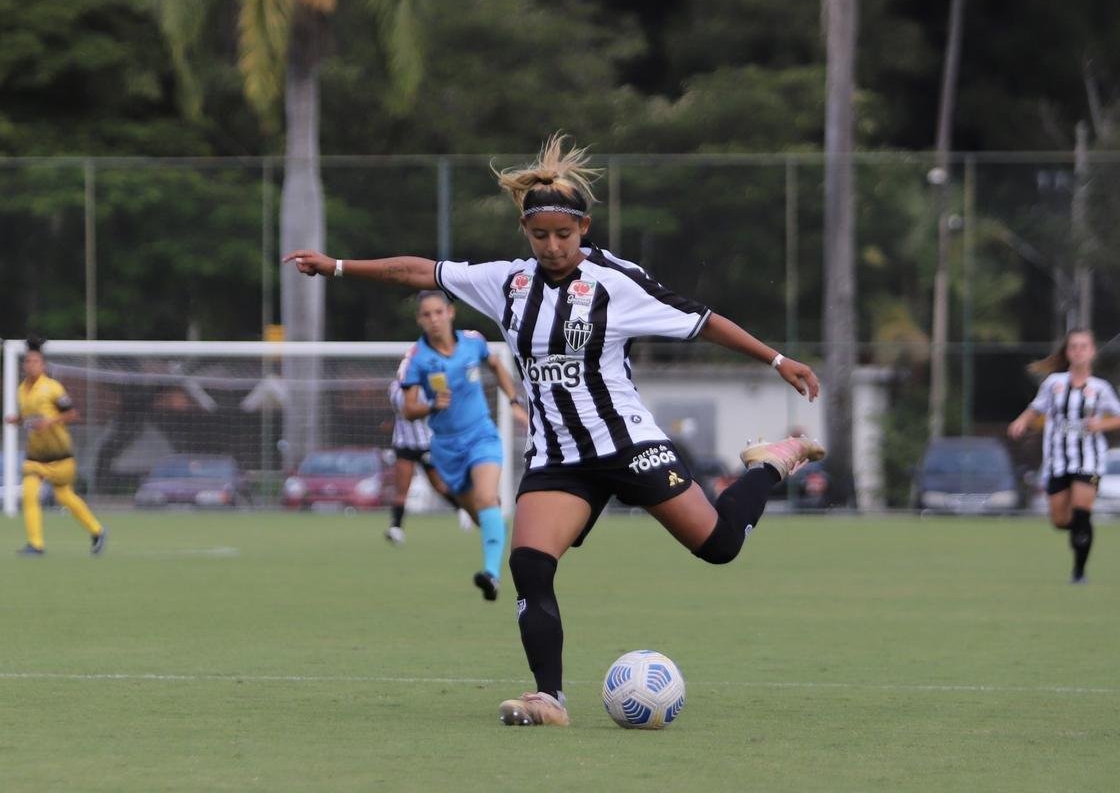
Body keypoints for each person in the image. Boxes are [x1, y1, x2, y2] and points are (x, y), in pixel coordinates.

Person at [284, 133, 823, 727]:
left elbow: (702, 323)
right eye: (539, 235)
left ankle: (771, 461)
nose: (551, 246)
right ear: (526, 232)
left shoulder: (617, 284)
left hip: (630, 445)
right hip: (560, 458)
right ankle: (549, 698)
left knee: (720, 547)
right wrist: (336, 266)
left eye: (563, 235)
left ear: (583, 228)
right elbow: (421, 270)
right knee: (530, 564)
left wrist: (776, 360)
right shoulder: (508, 283)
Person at [401, 290, 528, 601]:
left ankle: (492, 575)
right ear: (420, 320)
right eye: (426, 315)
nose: (433, 319)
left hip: (481, 435)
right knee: (480, 517)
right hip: (446, 448)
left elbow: (497, 365)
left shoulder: (473, 342)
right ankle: (500, 549)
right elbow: (408, 409)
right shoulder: (417, 358)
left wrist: (513, 400)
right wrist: (431, 405)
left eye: (438, 312)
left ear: (450, 313)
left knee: (487, 498)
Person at [1007, 328, 1120, 583]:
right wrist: (1021, 421)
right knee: (1060, 520)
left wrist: (1101, 425)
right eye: (1073, 346)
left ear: (1092, 352)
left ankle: (1079, 572)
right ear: (1067, 352)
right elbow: (1035, 408)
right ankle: (1081, 532)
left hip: (1089, 460)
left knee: (1082, 510)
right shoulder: (1054, 384)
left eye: (1083, 346)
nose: (1078, 351)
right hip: (1057, 461)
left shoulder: (1100, 388)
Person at [4, 335, 107, 556]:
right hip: (35, 455)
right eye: (28, 362)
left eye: (35, 362)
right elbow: (29, 416)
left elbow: (72, 413)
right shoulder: (22, 389)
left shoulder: (53, 388)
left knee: (64, 496)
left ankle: (97, 530)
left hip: (59, 453)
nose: (31, 365)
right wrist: (17, 420)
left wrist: (50, 422)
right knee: (30, 495)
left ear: (43, 365)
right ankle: (36, 544)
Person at [382, 358, 469, 545]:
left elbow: (443, 404)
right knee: (402, 488)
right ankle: (396, 527)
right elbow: (408, 410)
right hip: (404, 443)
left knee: (438, 485)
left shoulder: (429, 385)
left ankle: (462, 509)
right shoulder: (395, 388)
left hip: (426, 443)